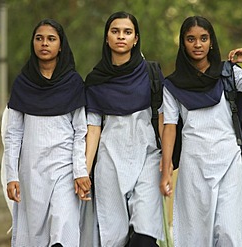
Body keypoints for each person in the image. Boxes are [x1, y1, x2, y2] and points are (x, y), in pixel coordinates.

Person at [159, 16, 242, 246]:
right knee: (198, 235)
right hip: (193, 165)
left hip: (229, 161)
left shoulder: (229, 73)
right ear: (183, 44)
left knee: (228, 232)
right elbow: (170, 128)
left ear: (211, 42)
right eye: (191, 39)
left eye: (203, 38)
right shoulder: (172, 85)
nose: (198, 44)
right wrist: (166, 171)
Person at [3, 18, 91, 247]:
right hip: (32, 172)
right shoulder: (23, 84)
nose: (44, 43)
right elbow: (13, 134)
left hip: (64, 169)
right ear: (33, 43)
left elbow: (80, 131)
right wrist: (12, 175)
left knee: (63, 227)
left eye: (51, 39)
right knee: (35, 236)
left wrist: (80, 171)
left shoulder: (73, 83)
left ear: (60, 45)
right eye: (39, 38)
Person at [84, 11, 164, 247]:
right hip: (109, 162)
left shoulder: (152, 73)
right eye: (115, 31)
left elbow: (162, 118)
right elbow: (94, 128)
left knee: (145, 234)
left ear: (136, 38)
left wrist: (167, 161)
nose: (121, 37)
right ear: (106, 37)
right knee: (114, 237)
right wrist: (83, 172)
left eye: (127, 32)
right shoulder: (96, 79)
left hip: (147, 157)